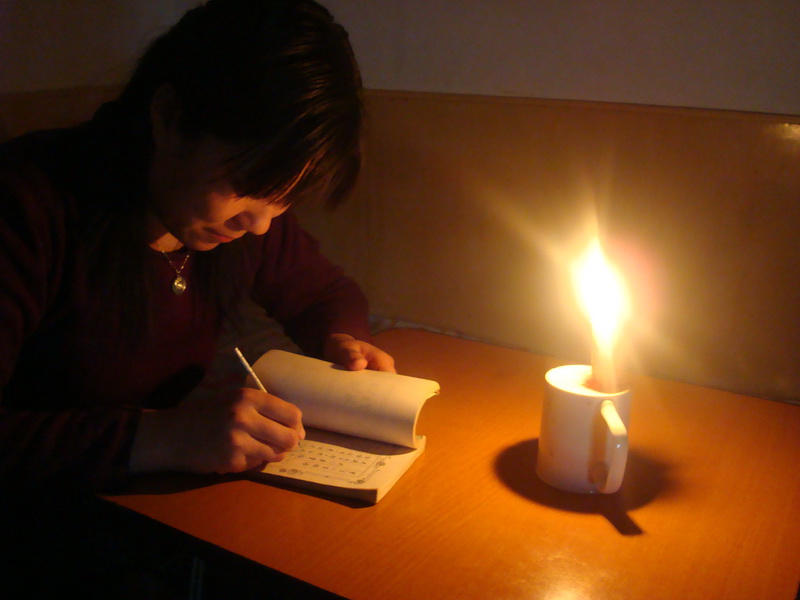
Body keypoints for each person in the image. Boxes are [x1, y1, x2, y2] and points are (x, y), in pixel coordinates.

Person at [0, 0, 395, 497]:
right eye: (248, 185)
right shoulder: (25, 205)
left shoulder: (230, 216)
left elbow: (323, 291)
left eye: (286, 197)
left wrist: (344, 340)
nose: (260, 225)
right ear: (170, 117)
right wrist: (159, 436)